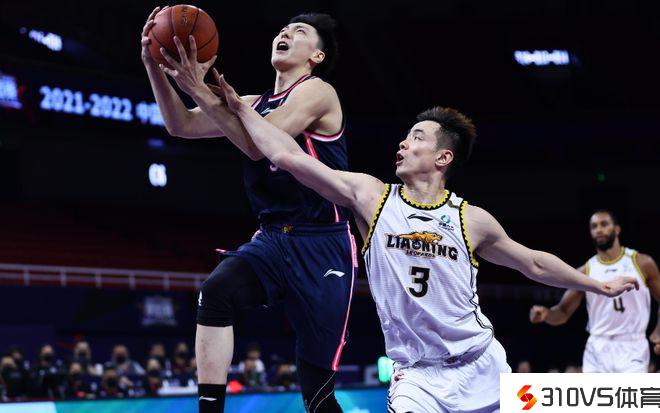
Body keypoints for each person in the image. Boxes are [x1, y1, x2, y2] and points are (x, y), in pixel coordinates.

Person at [215, 77, 639, 412]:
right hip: (416, 377)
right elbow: (289, 158)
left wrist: (596, 285)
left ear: (443, 158)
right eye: (405, 136)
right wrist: (242, 110)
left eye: (417, 137)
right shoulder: (371, 197)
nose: (403, 143)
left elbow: (534, 263)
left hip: (481, 365)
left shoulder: (470, 218)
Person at [141, 7, 352, 412]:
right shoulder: (253, 102)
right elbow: (180, 125)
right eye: (283, 28)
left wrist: (200, 89)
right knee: (216, 292)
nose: (285, 33)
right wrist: (153, 65)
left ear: (317, 55)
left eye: (299, 31)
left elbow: (261, 144)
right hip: (272, 237)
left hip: (321, 243)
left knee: (318, 397)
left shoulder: (318, 91)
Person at [529, 210, 660, 372]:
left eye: (604, 224)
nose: (599, 229)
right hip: (597, 348)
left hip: (633, 345)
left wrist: (658, 330)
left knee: (630, 390)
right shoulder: (585, 271)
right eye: (594, 226)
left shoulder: (642, 263)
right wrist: (546, 314)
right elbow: (563, 312)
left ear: (617, 229)